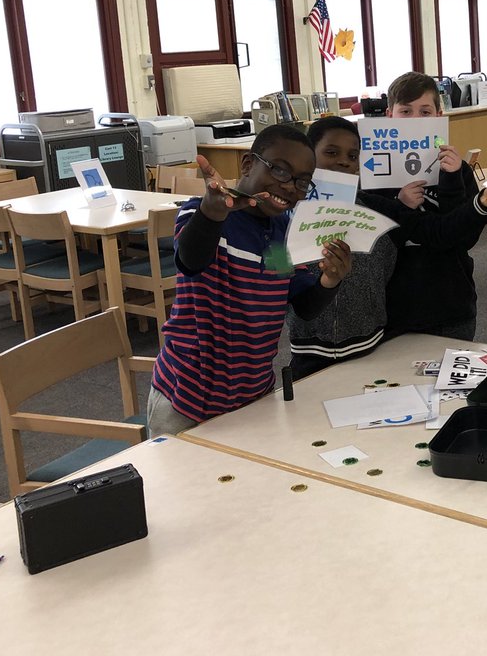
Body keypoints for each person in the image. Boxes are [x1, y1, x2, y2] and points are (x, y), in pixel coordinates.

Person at [148, 124, 352, 437]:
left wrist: (330, 280)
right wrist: (212, 213)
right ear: (247, 164)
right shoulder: (204, 215)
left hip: (252, 393)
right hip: (187, 395)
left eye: (302, 181)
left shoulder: (282, 234)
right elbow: (191, 259)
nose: (290, 187)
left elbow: (303, 305)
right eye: (280, 171)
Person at [375, 71, 487, 342]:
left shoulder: (457, 169)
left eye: (425, 112)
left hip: (451, 303)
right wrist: (399, 205)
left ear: (439, 116)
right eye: (406, 111)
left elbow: (467, 238)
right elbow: (374, 244)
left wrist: (451, 180)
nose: (416, 120)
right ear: (390, 115)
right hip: (395, 308)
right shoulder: (376, 172)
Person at [286, 117, 395, 378]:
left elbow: (387, 268)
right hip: (308, 346)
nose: (344, 161)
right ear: (309, 156)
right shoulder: (288, 216)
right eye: (331, 152)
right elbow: (278, 274)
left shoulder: (373, 214)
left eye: (353, 155)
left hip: (368, 343)